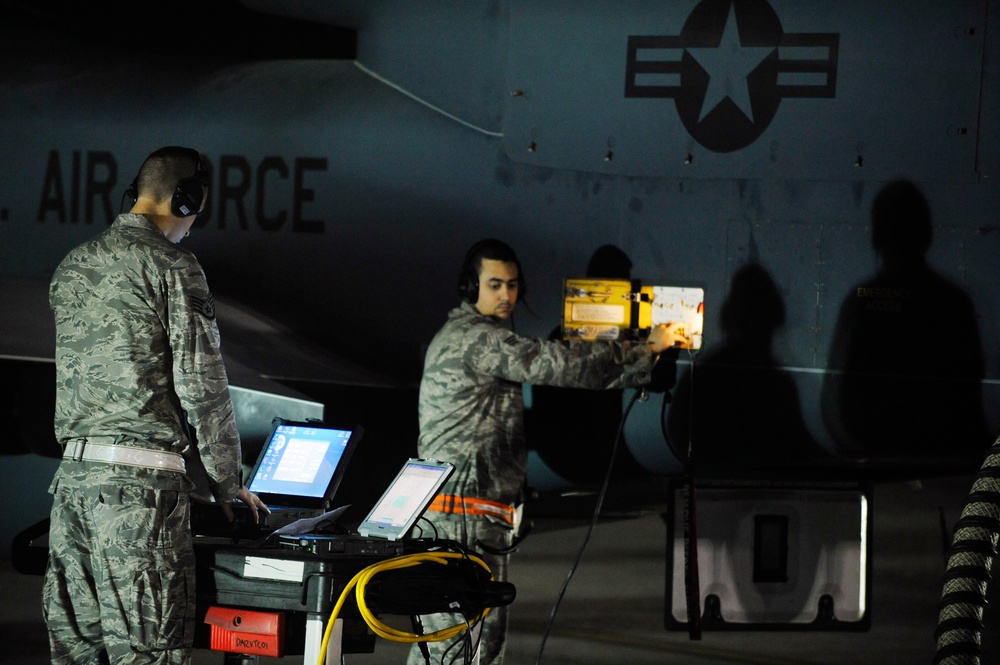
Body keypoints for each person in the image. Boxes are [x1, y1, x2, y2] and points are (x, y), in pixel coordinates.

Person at [408, 238, 684, 665]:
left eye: (513, 285)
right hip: (462, 519)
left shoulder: (464, 337)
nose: (506, 295)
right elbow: (557, 363)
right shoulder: (478, 340)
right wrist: (647, 349)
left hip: (464, 515)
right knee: (462, 650)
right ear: (470, 287)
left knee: (456, 648)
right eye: (495, 284)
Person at [43, 146, 269, 665]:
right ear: (186, 199)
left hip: (72, 490)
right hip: (138, 500)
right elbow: (202, 382)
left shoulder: (74, 264)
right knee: (149, 655)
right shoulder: (173, 265)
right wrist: (227, 482)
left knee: (79, 656)